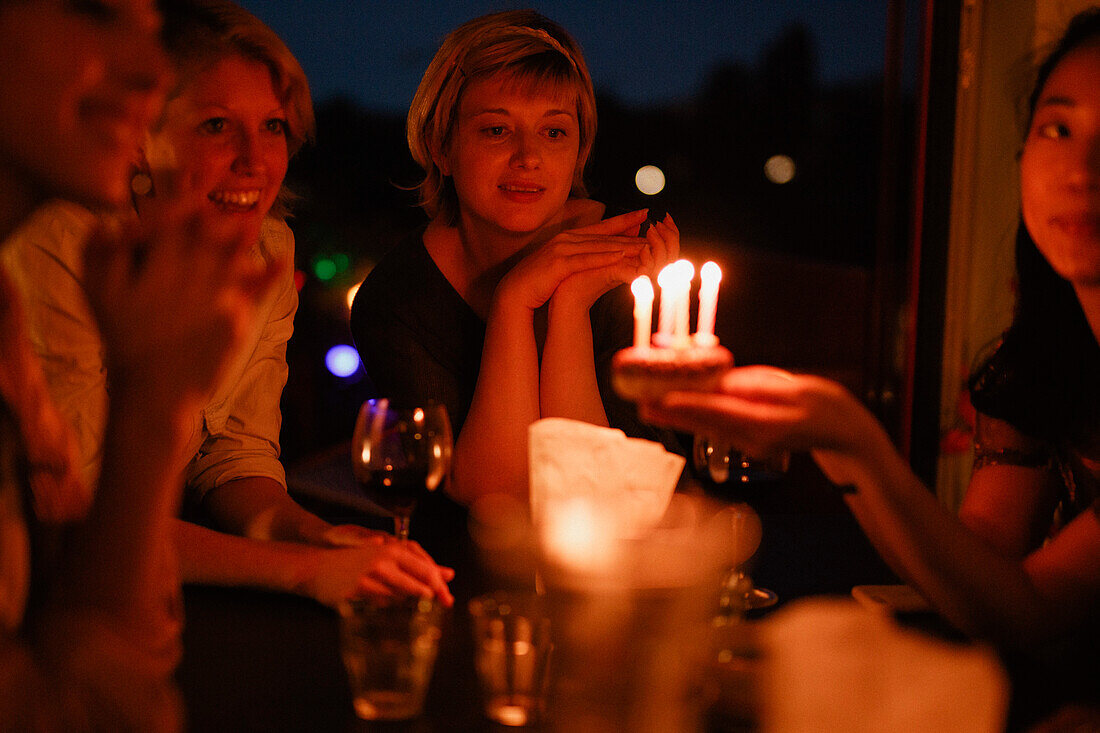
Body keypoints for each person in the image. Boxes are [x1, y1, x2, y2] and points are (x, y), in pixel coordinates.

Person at [640, 7, 1100, 719]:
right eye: (1057, 127)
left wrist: (852, 441)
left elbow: (1031, 606)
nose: (1080, 171)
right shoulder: (1052, 347)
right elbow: (983, 556)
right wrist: (838, 443)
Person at [3, 0, 453, 609]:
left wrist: (317, 536)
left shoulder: (266, 247)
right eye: (216, 125)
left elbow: (233, 454)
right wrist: (299, 571)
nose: (255, 159)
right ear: (141, 137)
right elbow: (80, 518)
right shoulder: (60, 250)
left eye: (272, 126)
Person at [0, 0, 282, 727]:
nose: (153, 72)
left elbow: (88, 628)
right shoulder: (59, 255)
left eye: (149, 30)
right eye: (95, 14)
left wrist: (150, 400)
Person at [351, 10, 679, 508]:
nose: (529, 157)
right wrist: (514, 302)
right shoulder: (397, 300)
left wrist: (569, 303)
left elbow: (606, 496)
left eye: (553, 133)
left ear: (578, 151)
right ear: (442, 147)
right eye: (496, 131)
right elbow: (496, 499)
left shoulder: (632, 258)